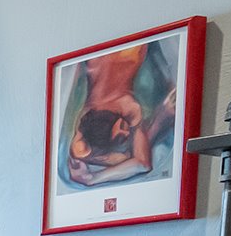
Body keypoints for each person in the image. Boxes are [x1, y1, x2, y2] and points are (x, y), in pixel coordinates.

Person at [64, 44, 177, 188]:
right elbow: (136, 160)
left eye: (122, 127)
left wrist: (93, 178)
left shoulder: (129, 107)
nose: (127, 133)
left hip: (127, 49)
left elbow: (142, 163)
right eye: (121, 137)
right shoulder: (85, 127)